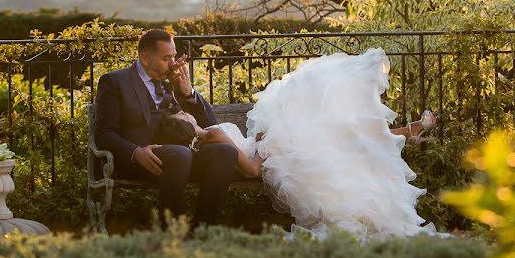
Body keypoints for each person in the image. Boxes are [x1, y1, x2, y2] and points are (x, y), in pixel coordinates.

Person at [164, 48, 441, 239]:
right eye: (181, 114)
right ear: (188, 126)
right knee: (328, 121)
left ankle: (406, 132)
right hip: (273, 154)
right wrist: (265, 141)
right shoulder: (211, 135)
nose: (183, 111)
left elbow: (213, 123)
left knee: (335, 129)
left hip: (270, 146)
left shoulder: (207, 132)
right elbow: (251, 169)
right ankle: (407, 131)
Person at [94, 29, 238, 226]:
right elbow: (104, 133)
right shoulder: (115, 82)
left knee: (226, 152)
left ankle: (204, 228)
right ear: (145, 58)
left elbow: (209, 122)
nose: (173, 63)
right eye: (166, 58)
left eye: (174, 56)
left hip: (182, 156)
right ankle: (172, 232)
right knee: (179, 155)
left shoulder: (172, 80)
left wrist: (188, 93)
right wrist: (135, 152)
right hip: (142, 160)